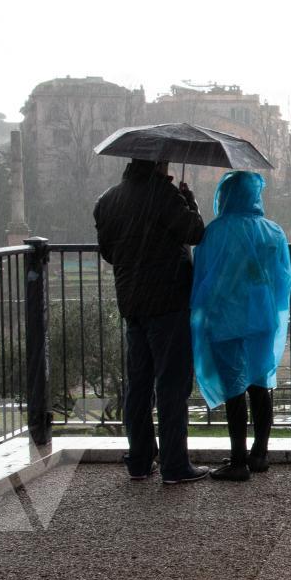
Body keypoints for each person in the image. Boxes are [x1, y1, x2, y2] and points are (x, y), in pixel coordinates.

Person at [94, 159, 209, 485]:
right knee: (172, 385)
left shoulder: (107, 201)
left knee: (139, 384)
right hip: (169, 303)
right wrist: (189, 201)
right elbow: (195, 232)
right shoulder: (164, 194)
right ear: (159, 163)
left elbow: (108, 252)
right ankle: (175, 465)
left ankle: (140, 460)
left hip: (132, 303)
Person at [190, 171, 291, 482]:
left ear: (226, 195)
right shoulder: (273, 232)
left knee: (235, 387)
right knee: (261, 383)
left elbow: (203, 276)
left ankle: (237, 461)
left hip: (227, 317)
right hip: (262, 316)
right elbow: (282, 279)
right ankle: (259, 454)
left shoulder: (216, 232)